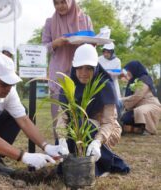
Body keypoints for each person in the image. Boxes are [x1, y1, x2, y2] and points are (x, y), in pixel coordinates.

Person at [58, 44, 130, 176]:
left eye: (89, 68)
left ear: (96, 67)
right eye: (79, 68)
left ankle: (100, 166)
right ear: (74, 67)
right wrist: (62, 140)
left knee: (84, 125)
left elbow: (109, 121)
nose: (83, 73)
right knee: (73, 127)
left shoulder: (104, 85)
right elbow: (62, 117)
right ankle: (75, 164)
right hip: (77, 128)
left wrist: (97, 142)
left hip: (105, 131)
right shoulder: (68, 86)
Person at [42, 0, 93, 141]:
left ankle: (80, 149)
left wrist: (93, 43)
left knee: (80, 111)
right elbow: (42, 49)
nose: (60, 6)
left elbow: (91, 46)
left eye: (63, 2)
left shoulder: (85, 19)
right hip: (59, 73)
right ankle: (61, 150)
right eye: (56, 3)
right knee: (59, 114)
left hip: (81, 72)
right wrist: (55, 43)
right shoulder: (50, 22)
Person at [120, 61, 161, 135]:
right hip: (137, 106)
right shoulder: (132, 80)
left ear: (134, 69)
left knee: (139, 111)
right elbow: (129, 96)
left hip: (150, 105)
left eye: (129, 70)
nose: (128, 72)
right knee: (125, 118)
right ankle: (137, 129)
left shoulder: (144, 79)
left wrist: (122, 101)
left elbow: (137, 96)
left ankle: (148, 129)